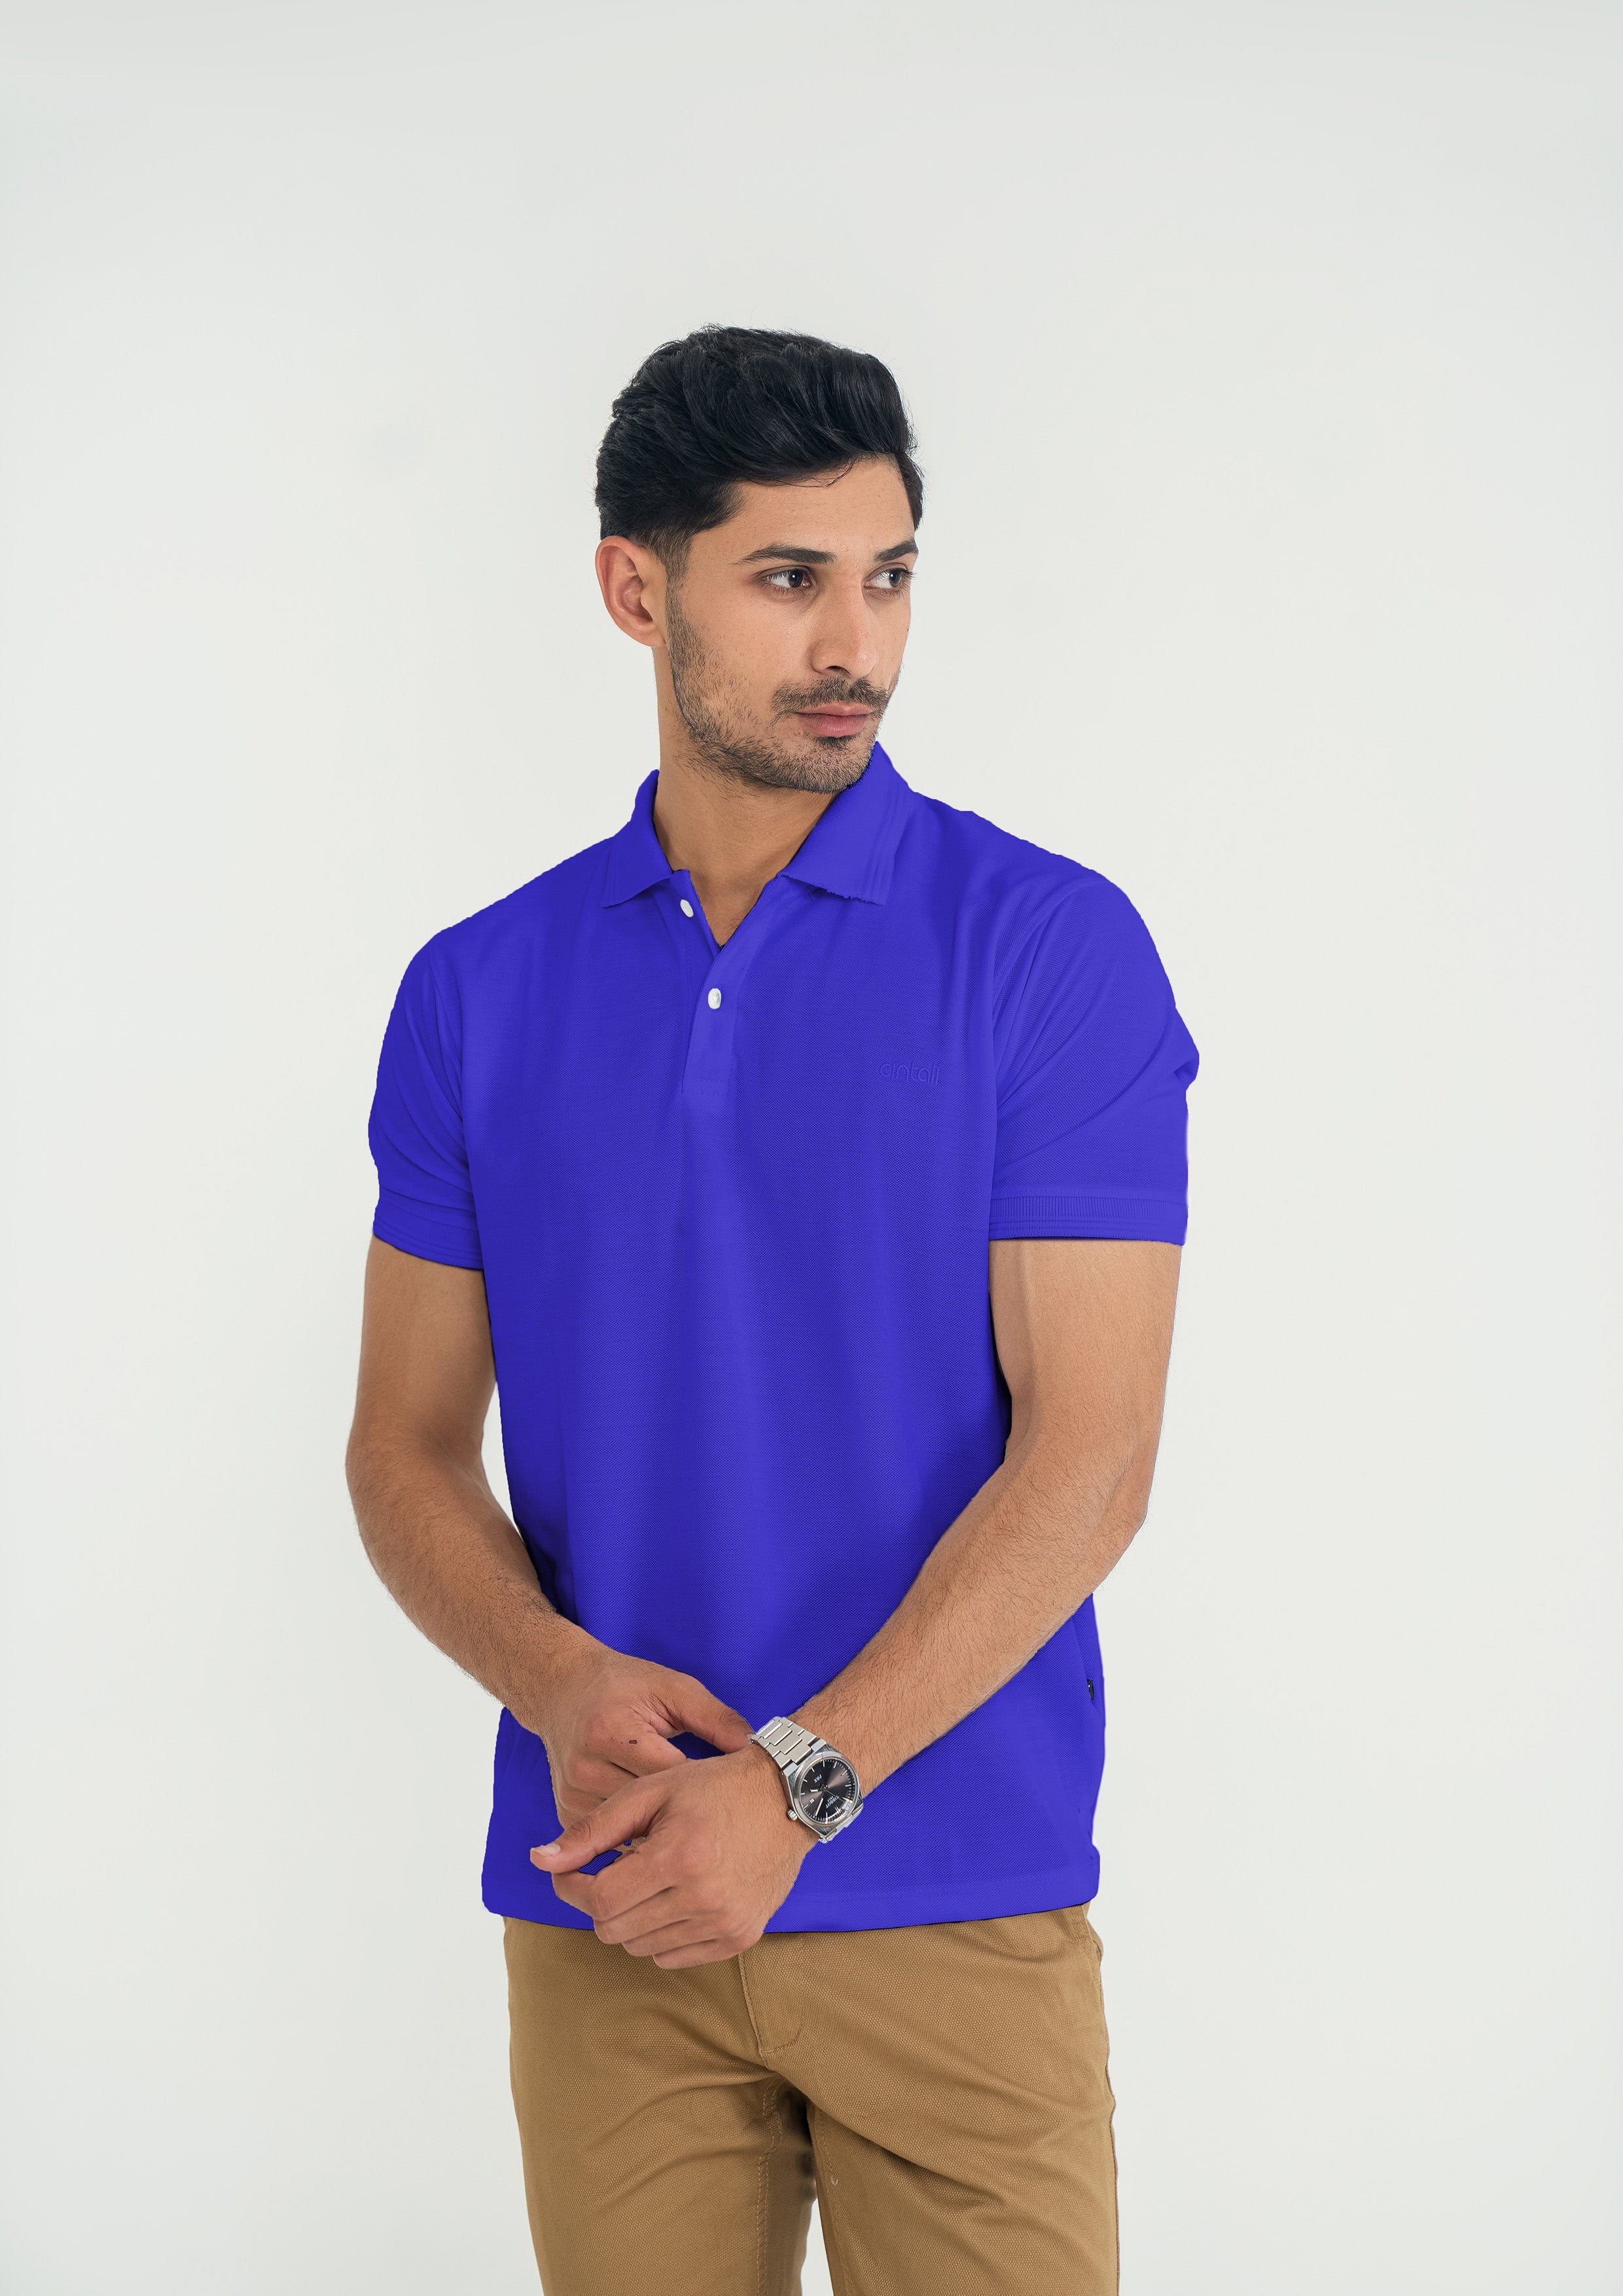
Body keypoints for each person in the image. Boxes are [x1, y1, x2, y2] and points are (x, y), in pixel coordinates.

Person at [346, 325, 1198, 2296]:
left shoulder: (1047, 951)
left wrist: (801, 1785)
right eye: (789, 577)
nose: (854, 644)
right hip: (613, 1899)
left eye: (888, 576)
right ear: (635, 589)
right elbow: (403, 1448)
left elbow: (1093, 1456)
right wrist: (558, 1684)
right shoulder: (478, 990)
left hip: (951, 1896)